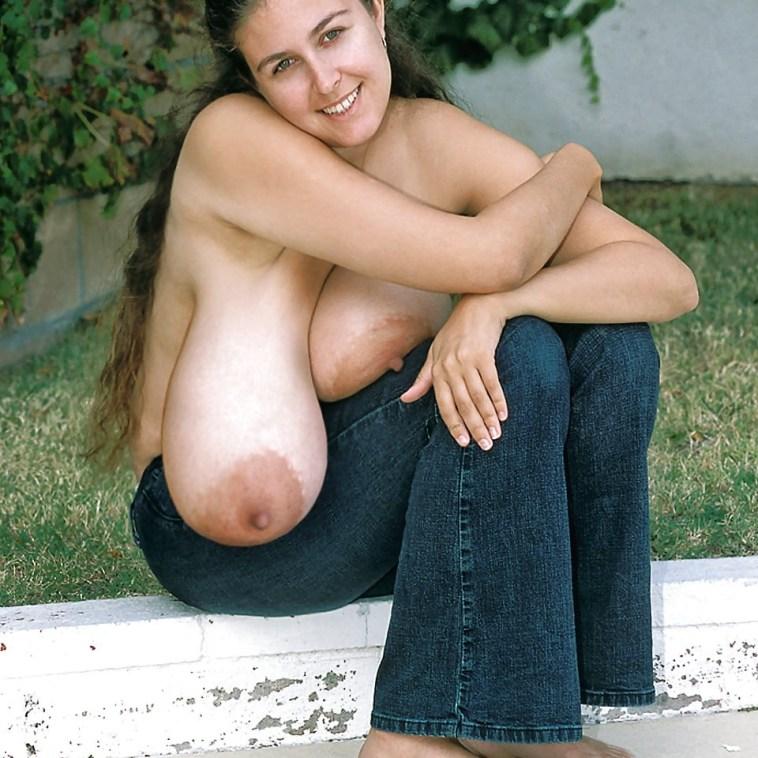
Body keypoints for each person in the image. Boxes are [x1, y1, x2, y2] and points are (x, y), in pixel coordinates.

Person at [88, 0, 699, 756]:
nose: (324, 81)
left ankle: (515, 713)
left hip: (370, 525)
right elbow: (495, 255)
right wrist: (574, 165)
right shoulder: (234, 141)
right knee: (521, 355)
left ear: (376, 12)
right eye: (284, 65)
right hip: (212, 545)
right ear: (250, 78)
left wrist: (498, 304)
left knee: (610, 347)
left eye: (332, 34)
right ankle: (448, 735)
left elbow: (665, 279)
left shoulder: (431, 142)